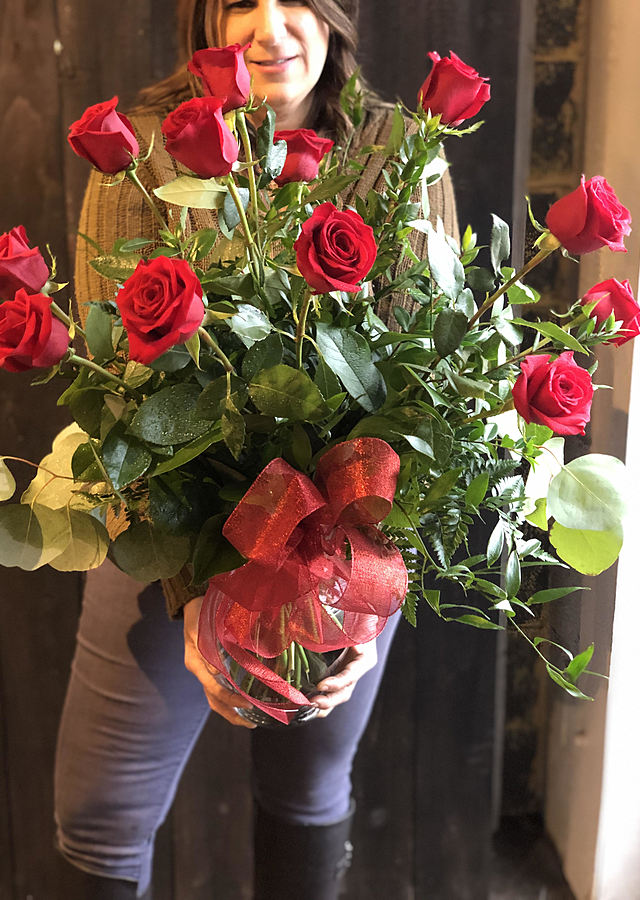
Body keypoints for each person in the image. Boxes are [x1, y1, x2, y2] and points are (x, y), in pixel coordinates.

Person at [54, 1, 458, 898]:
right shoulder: (142, 149)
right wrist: (200, 597)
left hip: (341, 543)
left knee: (309, 783)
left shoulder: (399, 145)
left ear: (335, 15)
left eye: (297, 1)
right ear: (206, 17)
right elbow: (117, 398)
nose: (270, 28)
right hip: (167, 535)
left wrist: (366, 588)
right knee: (101, 813)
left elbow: (427, 379)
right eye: (241, 1)